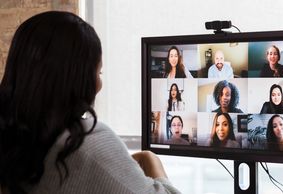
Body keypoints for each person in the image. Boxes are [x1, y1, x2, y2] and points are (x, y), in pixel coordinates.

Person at [0, 11, 180, 194]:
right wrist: (151, 160)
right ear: (79, 78)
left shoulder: (14, 141)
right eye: (98, 73)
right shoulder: (83, 142)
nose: (100, 84)